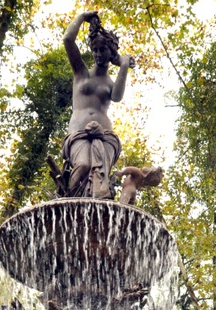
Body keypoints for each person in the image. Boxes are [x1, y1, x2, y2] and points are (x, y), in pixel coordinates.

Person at [62, 11, 134, 199]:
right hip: (79, 130)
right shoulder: (81, 72)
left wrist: (123, 65)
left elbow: (117, 97)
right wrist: (81, 17)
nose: (98, 54)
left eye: (103, 50)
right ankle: (69, 204)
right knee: (83, 165)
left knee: (99, 180)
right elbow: (68, 40)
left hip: (105, 135)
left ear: (111, 53)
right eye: (94, 49)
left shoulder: (111, 83)